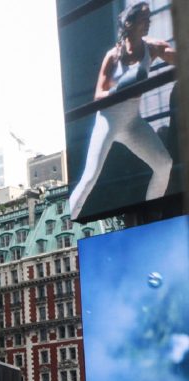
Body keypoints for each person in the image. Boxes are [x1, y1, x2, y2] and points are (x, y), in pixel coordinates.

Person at [69, 1, 177, 219]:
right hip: (108, 121)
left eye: (149, 19)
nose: (148, 23)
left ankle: (151, 215)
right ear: (129, 23)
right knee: (89, 178)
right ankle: (70, 216)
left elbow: (177, 57)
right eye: (143, 19)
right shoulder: (113, 56)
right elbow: (98, 95)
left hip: (132, 123)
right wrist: (122, 90)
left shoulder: (152, 47)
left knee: (164, 164)